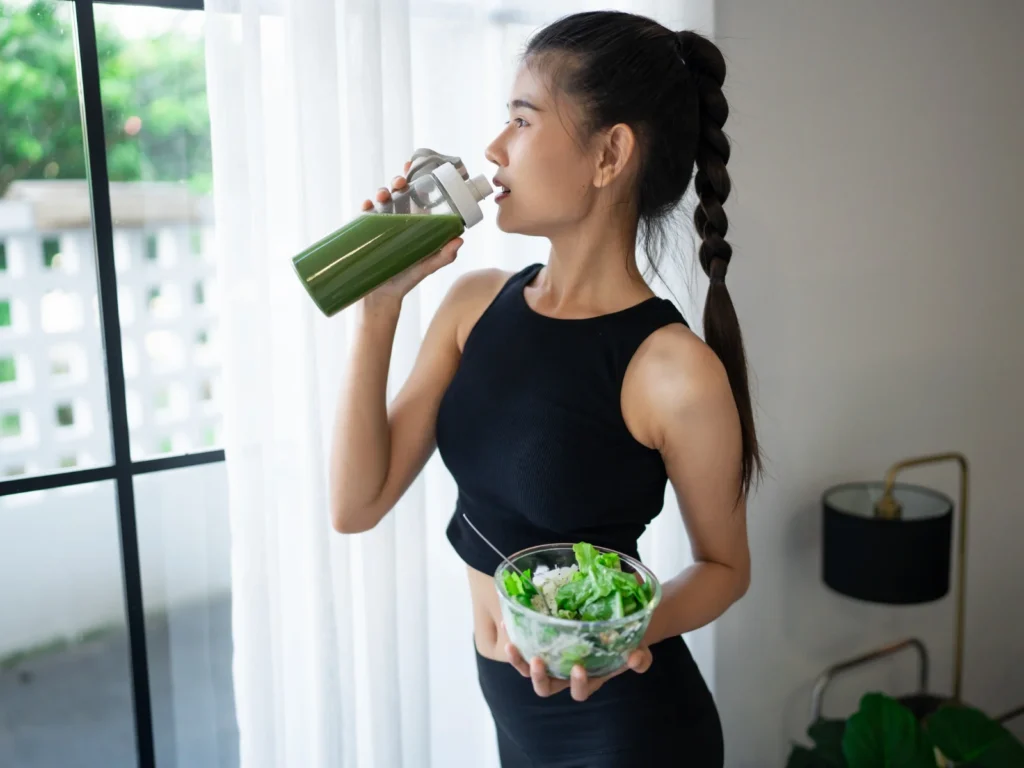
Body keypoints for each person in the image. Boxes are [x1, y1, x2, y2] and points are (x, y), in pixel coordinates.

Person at [330, 10, 758, 767]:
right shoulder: (474, 305)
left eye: (522, 121)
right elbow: (356, 504)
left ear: (610, 154)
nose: (493, 149)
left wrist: (606, 637)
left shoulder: (671, 370)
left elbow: (726, 570)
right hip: (515, 718)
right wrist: (379, 306)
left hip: (631, 730)